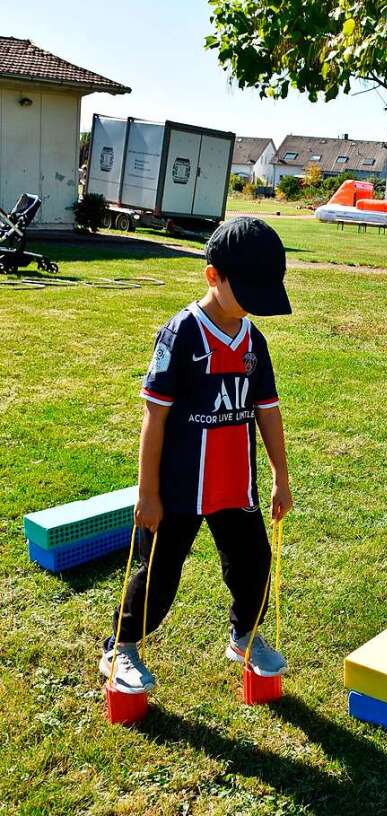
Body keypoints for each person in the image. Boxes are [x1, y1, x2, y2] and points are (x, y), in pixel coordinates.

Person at [99, 217, 294, 693]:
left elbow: (267, 411)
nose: (254, 304)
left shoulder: (253, 341)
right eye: (246, 290)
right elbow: (155, 417)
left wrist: (279, 477)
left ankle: (244, 635)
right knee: (159, 576)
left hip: (235, 486)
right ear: (213, 276)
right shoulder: (181, 334)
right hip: (178, 491)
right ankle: (120, 648)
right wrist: (148, 493)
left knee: (254, 566)